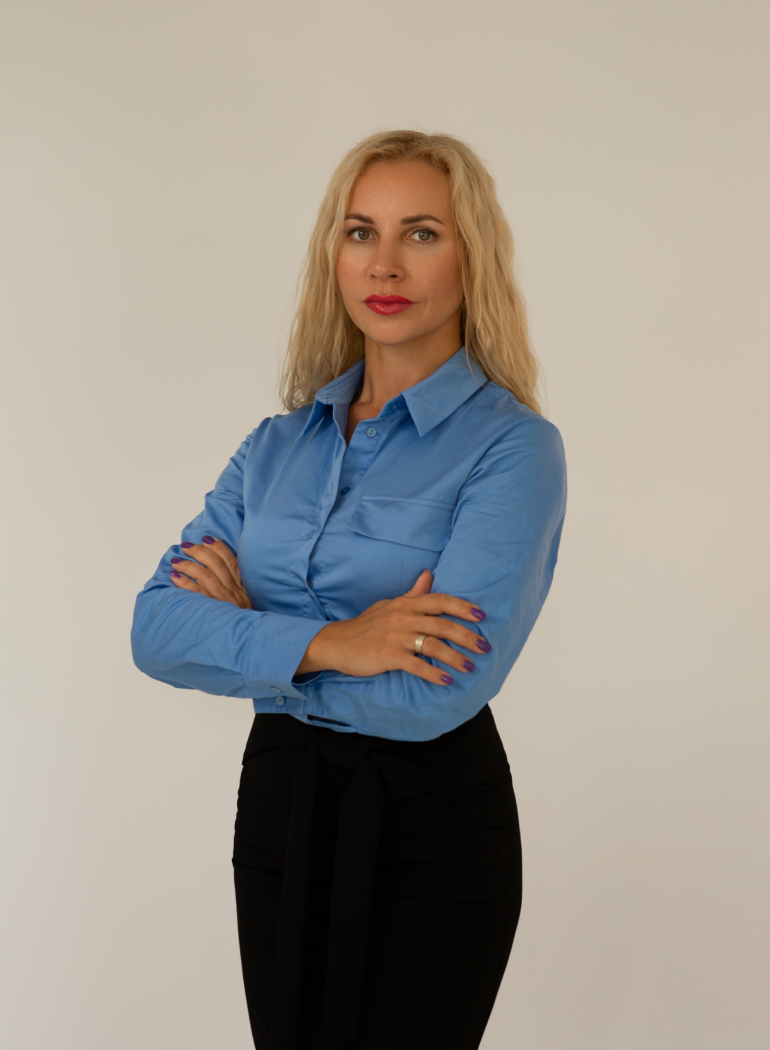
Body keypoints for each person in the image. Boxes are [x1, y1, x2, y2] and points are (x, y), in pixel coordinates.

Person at [131, 129, 567, 1050]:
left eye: (421, 233)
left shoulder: (513, 449)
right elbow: (157, 629)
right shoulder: (276, 446)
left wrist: (257, 644)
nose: (385, 263)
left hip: (430, 826)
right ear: (333, 254)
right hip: (282, 808)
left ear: (471, 258)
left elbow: (433, 692)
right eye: (360, 231)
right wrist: (336, 642)